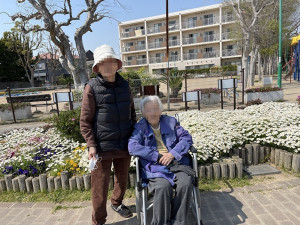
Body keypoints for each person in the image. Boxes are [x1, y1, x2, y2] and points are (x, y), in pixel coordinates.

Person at [80, 44, 136, 225]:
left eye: (111, 61)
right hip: (101, 149)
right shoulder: (92, 87)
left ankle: (117, 203)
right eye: (103, 63)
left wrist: (134, 137)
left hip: (124, 144)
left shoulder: (125, 85)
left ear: (117, 64)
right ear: (97, 67)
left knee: (122, 180)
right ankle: (99, 221)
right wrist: (91, 145)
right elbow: (85, 120)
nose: (108, 66)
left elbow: (132, 113)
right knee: (99, 189)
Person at [128, 96, 195, 225]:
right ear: (143, 113)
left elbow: (186, 138)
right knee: (163, 187)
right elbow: (132, 146)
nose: (152, 113)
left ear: (160, 110)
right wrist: (157, 156)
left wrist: (172, 154)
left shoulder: (171, 122)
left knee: (185, 184)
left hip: (177, 164)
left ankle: (178, 221)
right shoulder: (140, 127)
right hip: (155, 167)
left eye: (155, 109)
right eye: (149, 110)